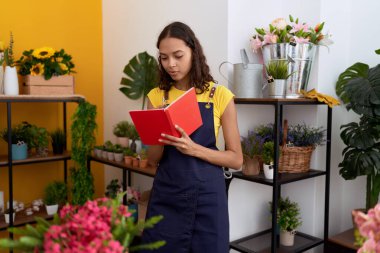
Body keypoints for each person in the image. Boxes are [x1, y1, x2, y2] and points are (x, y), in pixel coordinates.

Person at [141, 21, 243, 253]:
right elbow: (153, 159)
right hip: (167, 193)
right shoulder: (157, 97)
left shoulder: (219, 95)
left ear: (193, 52)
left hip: (208, 197)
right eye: (164, 58)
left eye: (178, 55)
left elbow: (236, 159)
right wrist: (157, 134)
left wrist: (193, 148)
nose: (171, 64)